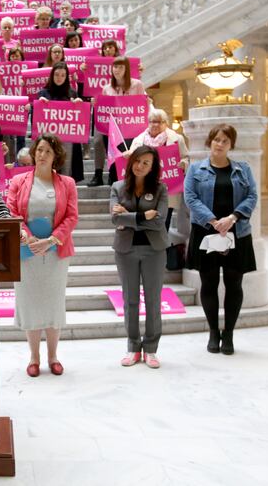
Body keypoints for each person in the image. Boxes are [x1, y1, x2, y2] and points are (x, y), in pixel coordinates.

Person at [6, 133, 78, 377]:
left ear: (56, 156)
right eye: (39, 150)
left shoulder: (67, 183)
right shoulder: (19, 181)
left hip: (56, 252)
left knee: (53, 303)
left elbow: (71, 216)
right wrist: (27, 236)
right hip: (27, 251)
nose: (42, 155)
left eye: (48, 151)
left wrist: (51, 240)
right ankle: (34, 357)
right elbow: (12, 212)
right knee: (30, 303)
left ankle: (53, 356)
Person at [184, 124, 257, 355]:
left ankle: (229, 334)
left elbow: (252, 195)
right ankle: (214, 332)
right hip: (206, 232)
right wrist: (214, 222)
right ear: (210, 141)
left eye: (225, 141)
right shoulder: (196, 169)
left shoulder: (243, 169)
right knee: (209, 283)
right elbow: (191, 198)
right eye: (217, 139)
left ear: (231, 145)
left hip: (237, 232)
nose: (220, 144)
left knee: (234, 284)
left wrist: (232, 218)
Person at [110, 145, 168, 369]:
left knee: (153, 300)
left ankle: (151, 349)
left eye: (146, 163)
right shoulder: (118, 187)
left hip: (154, 250)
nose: (140, 166)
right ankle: (133, 347)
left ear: (153, 167)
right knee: (130, 300)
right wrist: (144, 215)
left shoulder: (161, 189)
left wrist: (129, 217)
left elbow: (159, 221)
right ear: (131, 161)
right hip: (125, 251)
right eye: (137, 161)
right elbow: (115, 220)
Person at [125, 108, 190, 232]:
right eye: (152, 121)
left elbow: (186, 158)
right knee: (145, 222)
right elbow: (132, 161)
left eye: (159, 122)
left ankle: (162, 249)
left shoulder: (177, 139)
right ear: (148, 123)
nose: (155, 125)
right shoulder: (139, 140)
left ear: (166, 123)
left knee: (163, 222)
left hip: (167, 188)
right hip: (144, 187)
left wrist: (184, 164)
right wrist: (128, 155)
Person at [90, 55, 146, 187]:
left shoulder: (137, 85)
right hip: (113, 130)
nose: (117, 70)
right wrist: (96, 104)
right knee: (112, 154)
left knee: (128, 157)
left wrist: (146, 101)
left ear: (126, 69)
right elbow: (104, 109)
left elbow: (142, 106)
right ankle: (112, 176)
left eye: (121, 67)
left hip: (131, 129)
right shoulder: (107, 88)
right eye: (115, 66)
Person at [37, 62, 84, 182]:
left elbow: (79, 116)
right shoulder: (43, 93)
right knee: (49, 170)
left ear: (66, 77)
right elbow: (37, 116)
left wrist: (79, 104)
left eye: (63, 75)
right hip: (49, 139)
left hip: (68, 139)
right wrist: (39, 104)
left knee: (67, 171)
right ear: (52, 75)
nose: (59, 78)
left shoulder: (72, 93)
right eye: (57, 74)